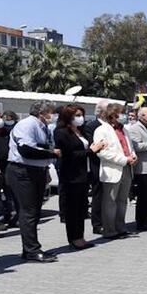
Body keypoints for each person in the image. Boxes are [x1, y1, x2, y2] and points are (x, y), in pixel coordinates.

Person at [5, 101, 60, 262]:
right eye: (51, 112)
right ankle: (32, 250)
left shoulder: (43, 127)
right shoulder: (27, 125)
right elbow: (27, 150)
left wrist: (46, 165)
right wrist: (52, 154)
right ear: (41, 113)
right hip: (22, 171)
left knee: (34, 211)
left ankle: (29, 247)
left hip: (37, 171)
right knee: (28, 211)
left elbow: (42, 147)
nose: (53, 115)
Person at [54, 105, 107, 250]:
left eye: (81, 115)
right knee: (72, 209)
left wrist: (97, 147)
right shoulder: (61, 132)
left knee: (81, 208)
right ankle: (74, 238)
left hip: (85, 174)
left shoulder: (81, 131)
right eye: (76, 115)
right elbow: (69, 155)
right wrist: (91, 151)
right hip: (71, 176)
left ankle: (80, 236)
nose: (80, 118)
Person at [94, 103, 138, 239]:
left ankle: (121, 227)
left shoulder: (124, 129)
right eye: (121, 113)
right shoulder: (101, 130)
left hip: (127, 168)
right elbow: (102, 152)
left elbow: (129, 146)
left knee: (122, 200)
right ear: (113, 114)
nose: (124, 116)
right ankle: (109, 229)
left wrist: (133, 155)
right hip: (113, 169)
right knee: (110, 201)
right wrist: (123, 159)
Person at [82, 101, 107, 235]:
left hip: (112, 164)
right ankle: (97, 224)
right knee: (99, 194)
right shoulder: (91, 126)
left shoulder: (112, 125)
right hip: (97, 164)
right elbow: (94, 146)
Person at [0, 111, 17, 231]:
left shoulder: (7, 132)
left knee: (11, 193)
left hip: (8, 167)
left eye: (0, 117)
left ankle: (13, 216)